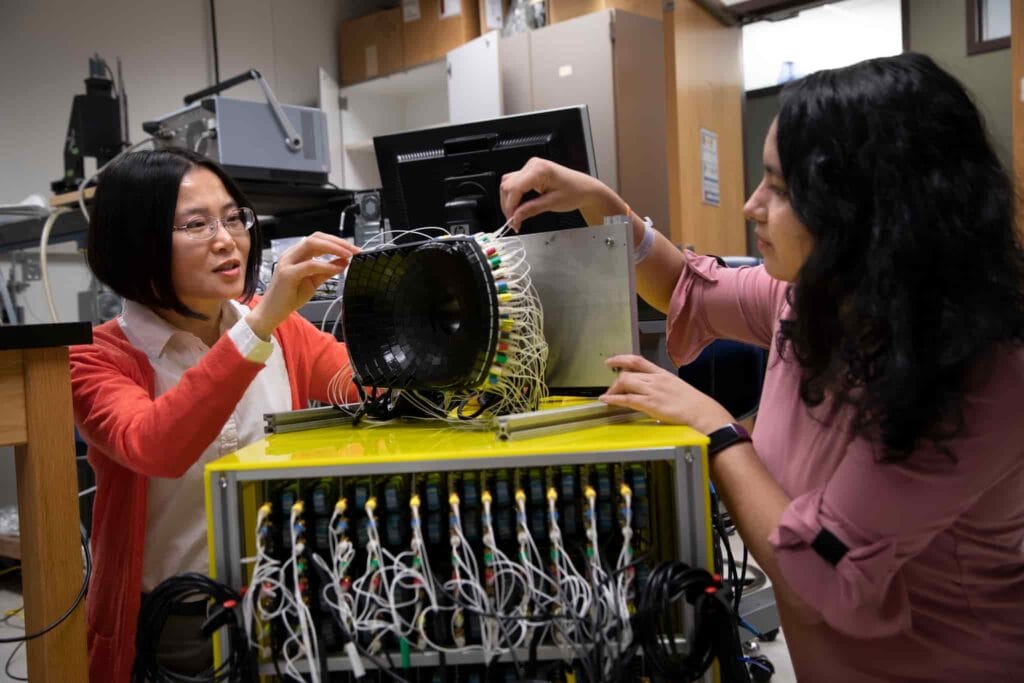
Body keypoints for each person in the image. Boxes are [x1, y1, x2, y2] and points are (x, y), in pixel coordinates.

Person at [500, 53, 1024, 681]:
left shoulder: (981, 377)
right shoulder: (815, 300)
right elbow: (685, 286)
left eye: (780, 188)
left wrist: (718, 433)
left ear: (866, 210)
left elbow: (827, 570)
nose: (751, 206)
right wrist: (600, 202)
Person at [70, 148, 360, 681]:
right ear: (138, 243)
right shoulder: (96, 359)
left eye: (233, 218)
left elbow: (369, 385)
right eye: (197, 225)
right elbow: (156, 445)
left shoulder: (283, 331)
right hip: (175, 622)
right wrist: (260, 323)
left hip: (286, 608)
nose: (227, 240)